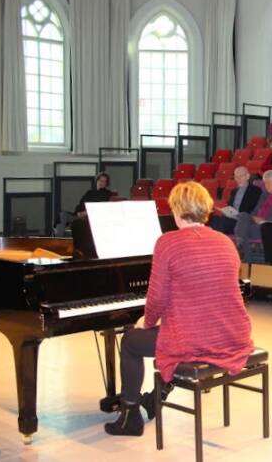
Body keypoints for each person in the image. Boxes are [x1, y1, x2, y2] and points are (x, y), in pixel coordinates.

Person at [104, 181, 252, 436]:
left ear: (176, 209)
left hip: (197, 340)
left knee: (130, 341)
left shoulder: (168, 242)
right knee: (166, 334)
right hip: (231, 335)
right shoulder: (225, 242)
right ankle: (155, 397)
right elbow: (208, 295)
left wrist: (147, 322)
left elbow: (157, 298)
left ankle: (130, 417)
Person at [54, 172, 112, 237]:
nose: (102, 183)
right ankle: (58, 238)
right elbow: (80, 204)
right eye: (100, 180)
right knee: (62, 215)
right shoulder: (89, 192)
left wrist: (87, 212)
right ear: (97, 180)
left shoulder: (107, 194)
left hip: (91, 218)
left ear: (106, 183)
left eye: (104, 181)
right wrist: (78, 213)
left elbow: (102, 208)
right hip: (80, 216)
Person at [208, 166, 261, 234]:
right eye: (236, 177)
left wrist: (238, 214)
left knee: (222, 222)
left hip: (243, 220)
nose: (238, 179)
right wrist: (226, 211)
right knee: (213, 219)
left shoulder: (255, 190)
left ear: (247, 176)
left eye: (241, 176)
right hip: (232, 218)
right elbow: (230, 207)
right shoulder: (234, 191)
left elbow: (254, 208)